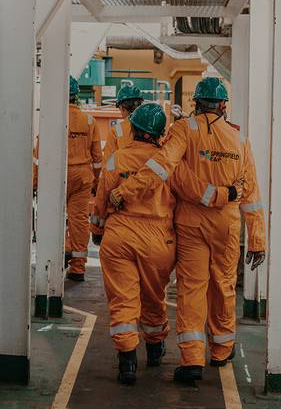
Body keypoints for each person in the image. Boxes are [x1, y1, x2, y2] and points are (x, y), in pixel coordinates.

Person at [109, 77, 266, 382]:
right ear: (223, 105)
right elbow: (252, 195)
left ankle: (192, 359)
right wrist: (257, 239)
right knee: (223, 283)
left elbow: (161, 166)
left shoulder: (184, 130)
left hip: (191, 223)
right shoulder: (240, 139)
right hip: (228, 223)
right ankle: (222, 349)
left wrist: (126, 190)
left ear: (196, 103)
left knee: (192, 287)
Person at [89, 103, 175, 385]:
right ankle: (154, 349)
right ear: (160, 133)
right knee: (153, 296)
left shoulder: (116, 159)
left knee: (123, 299)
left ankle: (127, 360)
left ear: (134, 129)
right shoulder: (168, 163)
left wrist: (97, 229)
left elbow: (101, 198)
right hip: (157, 238)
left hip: (120, 235)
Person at [65, 76, 103, 282]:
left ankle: (61, 252)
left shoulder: (53, 118)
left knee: (53, 218)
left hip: (58, 176)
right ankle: (78, 268)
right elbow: (97, 158)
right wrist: (97, 181)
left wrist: (35, 182)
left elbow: (39, 154)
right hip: (82, 177)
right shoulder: (89, 121)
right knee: (79, 220)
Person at [102, 84, 144, 161]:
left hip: (124, 170)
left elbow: (108, 160)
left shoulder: (116, 130)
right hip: (147, 171)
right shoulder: (151, 126)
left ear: (122, 107)